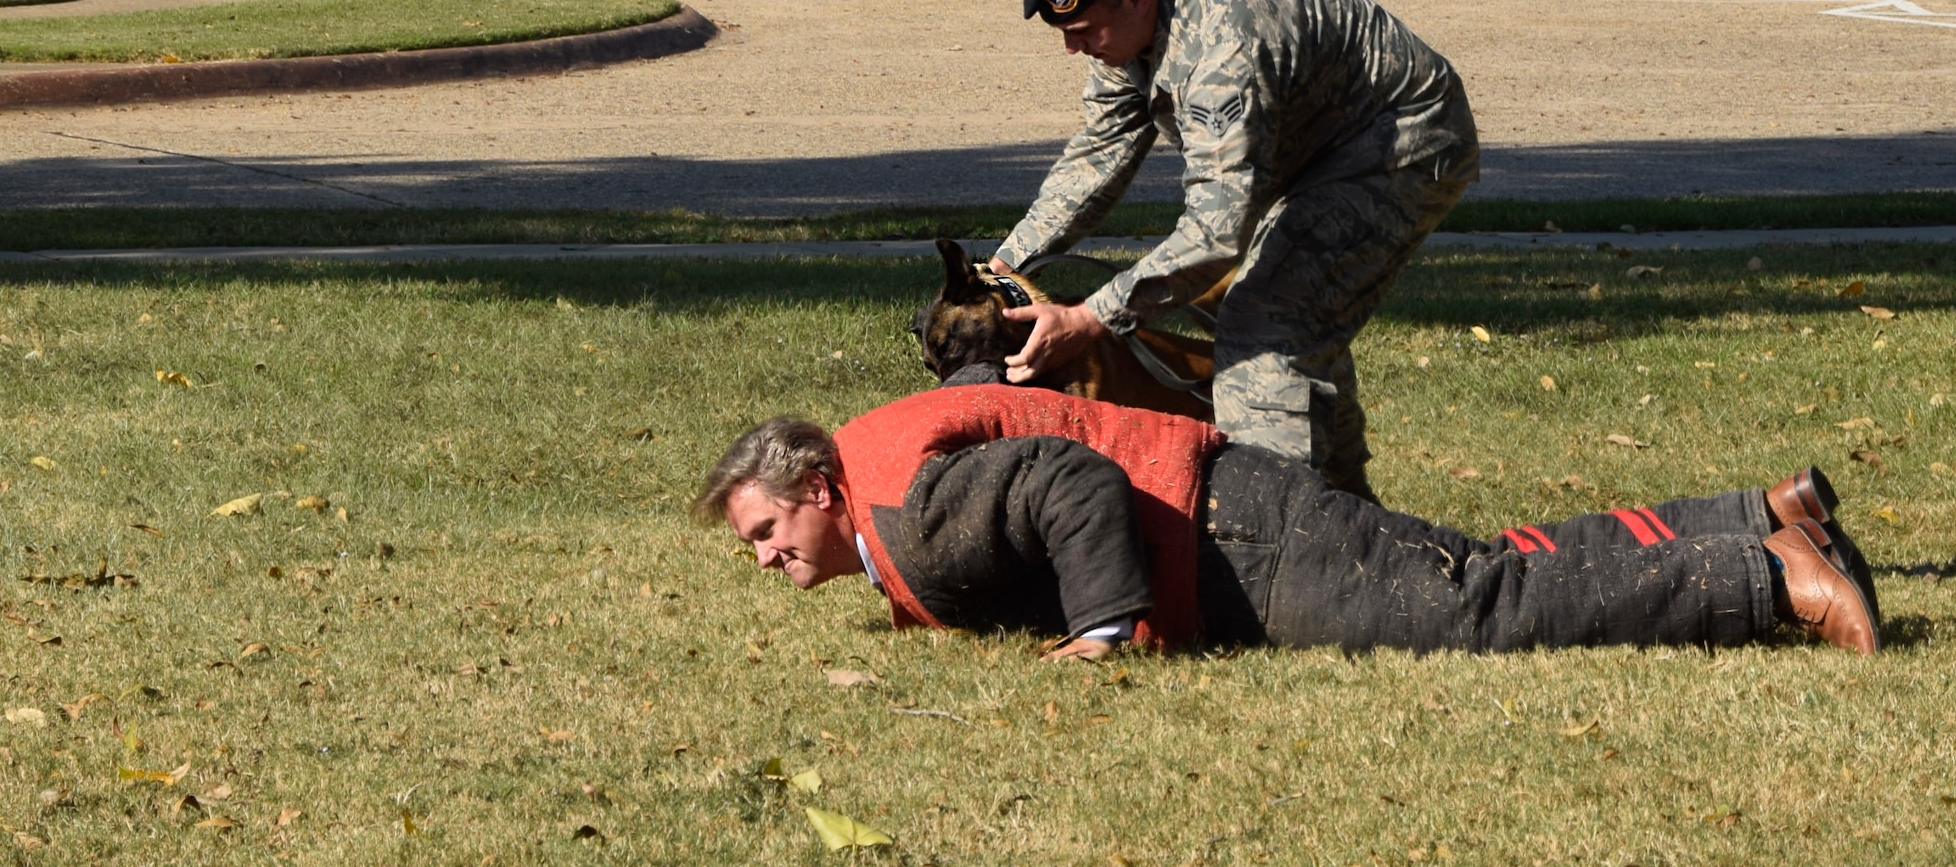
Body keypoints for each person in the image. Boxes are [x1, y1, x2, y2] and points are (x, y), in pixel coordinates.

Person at [694, 386, 1880, 659]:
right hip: (1234, 494)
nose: (762, 557)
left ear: (814, 487)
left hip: (1229, 541)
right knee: (1469, 563)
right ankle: (1755, 512)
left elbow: (1063, 485)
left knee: (1471, 610)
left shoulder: (905, 510)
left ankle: (1764, 580)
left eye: (761, 530)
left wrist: (1105, 627)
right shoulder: (883, 472)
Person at [988, 0, 1480, 500]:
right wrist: (1004, 266)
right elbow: (1099, 154)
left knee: (1267, 320)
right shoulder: (1130, 33)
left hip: (1399, 142)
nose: (1073, 48)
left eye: (1084, 30)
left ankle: (1278, 529)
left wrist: (1090, 318)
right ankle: (1353, 519)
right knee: (1285, 322)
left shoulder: (1220, 50)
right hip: (1312, 153)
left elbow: (1217, 235)